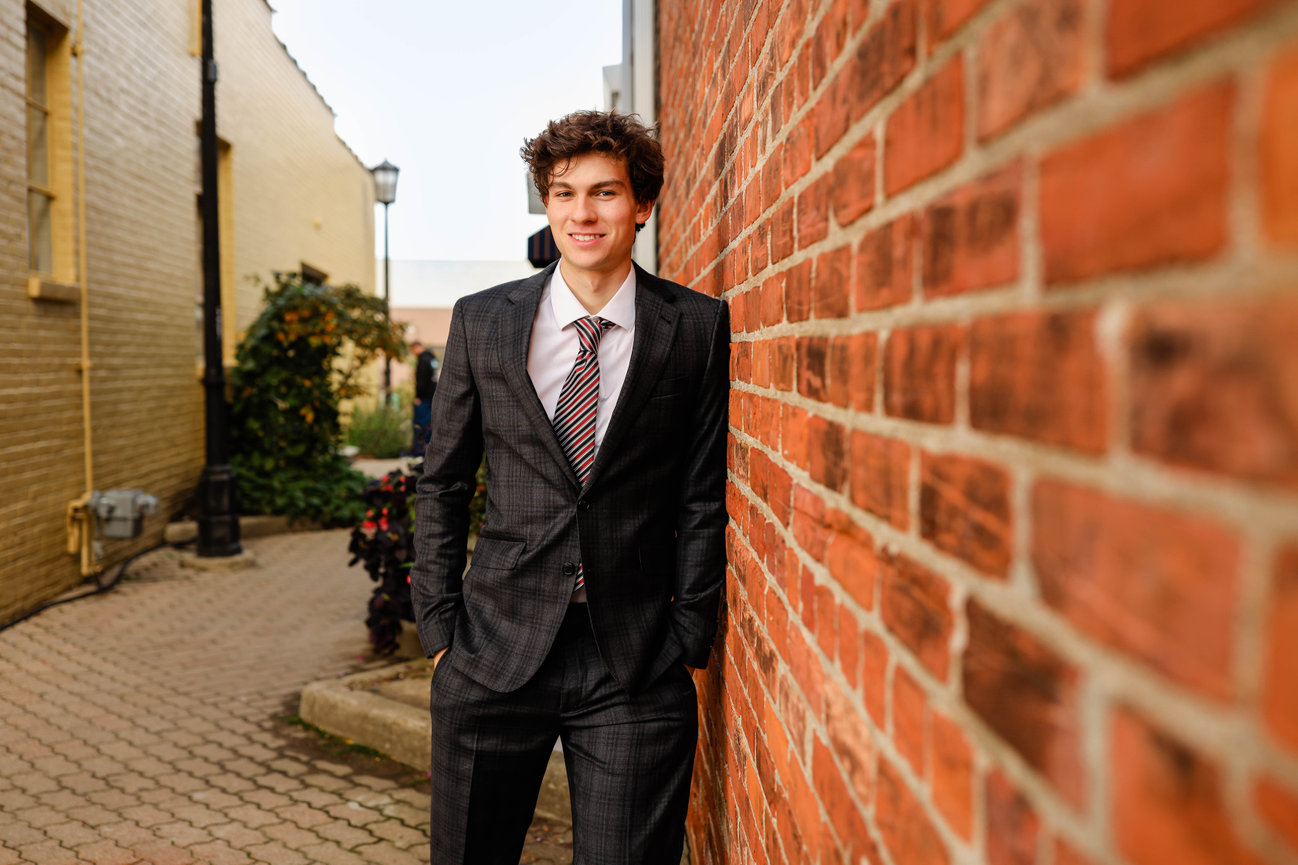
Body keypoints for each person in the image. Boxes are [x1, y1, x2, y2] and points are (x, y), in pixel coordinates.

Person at [410, 110, 730, 865]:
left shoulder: (696, 327)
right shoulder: (483, 321)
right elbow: (444, 482)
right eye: (563, 194)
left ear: (642, 205)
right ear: (547, 205)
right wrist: (438, 629)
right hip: (491, 649)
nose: (582, 213)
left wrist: (689, 631)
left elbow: (700, 493)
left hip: (634, 662)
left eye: (605, 193)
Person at [410, 340, 437, 454]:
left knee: (420, 424)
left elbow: (421, 380)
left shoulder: (423, 360)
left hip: (424, 398)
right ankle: (429, 449)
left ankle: (420, 450)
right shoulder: (432, 359)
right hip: (433, 396)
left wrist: (418, 396)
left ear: (417, 347)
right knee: (429, 424)